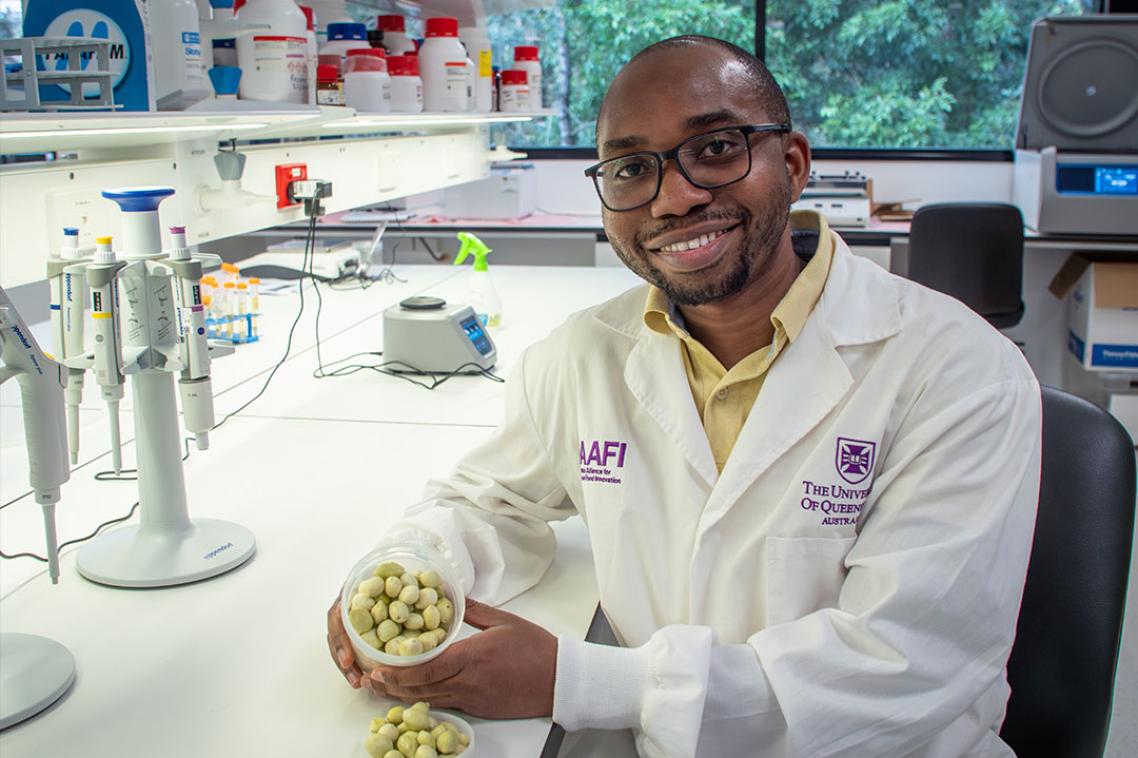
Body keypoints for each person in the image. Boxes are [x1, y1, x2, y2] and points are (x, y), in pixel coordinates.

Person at [327, 35, 1042, 758]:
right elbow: (486, 501)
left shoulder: (955, 370)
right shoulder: (583, 356)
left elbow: (905, 669)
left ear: (791, 163)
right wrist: (413, 564)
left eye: (716, 148)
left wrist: (582, 683)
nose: (675, 197)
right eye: (633, 168)